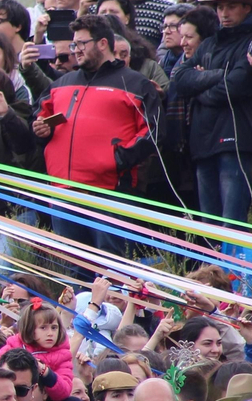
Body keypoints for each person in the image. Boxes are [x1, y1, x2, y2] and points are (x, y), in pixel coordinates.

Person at [31, 16, 160, 252]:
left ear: (102, 43)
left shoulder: (136, 83)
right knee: (75, 274)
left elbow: (153, 131)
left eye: (81, 44)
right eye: (74, 45)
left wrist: (117, 159)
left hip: (109, 193)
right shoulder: (61, 83)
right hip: (63, 193)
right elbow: (39, 118)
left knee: (111, 270)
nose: (75, 50)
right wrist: (41, 129)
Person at [170, 0, 252, 222]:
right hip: (203, 143)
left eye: (231, 6)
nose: (224, 13)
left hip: (236, 142)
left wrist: (199, 87)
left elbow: (237, 85)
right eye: (220, 7)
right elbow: (180, 79)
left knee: (231, 222)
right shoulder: (208, 43)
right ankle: (216, 261)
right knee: (210, 225)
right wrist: (218, 75)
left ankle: (233, 261)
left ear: (246, 8)